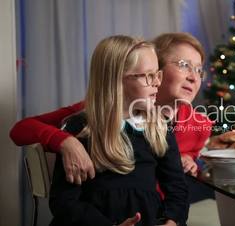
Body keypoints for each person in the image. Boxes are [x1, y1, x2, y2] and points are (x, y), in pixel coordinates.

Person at [9, 32, 212, 184]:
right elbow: (20, 129)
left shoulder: (200, 125)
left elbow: (193, 163)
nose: (194, 77)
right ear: (154, 68)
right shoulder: (103, 111)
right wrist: (66, 141)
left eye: (198, 70)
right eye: (184, 65)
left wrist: (190, 159)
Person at [49, 35, 188, 226]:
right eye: (148, 75)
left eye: (158, 74)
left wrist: (171, 221)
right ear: (115, 79)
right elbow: (64, 202)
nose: (157, 82)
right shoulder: (80, 128)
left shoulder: (159, 127)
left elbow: (177, 188)